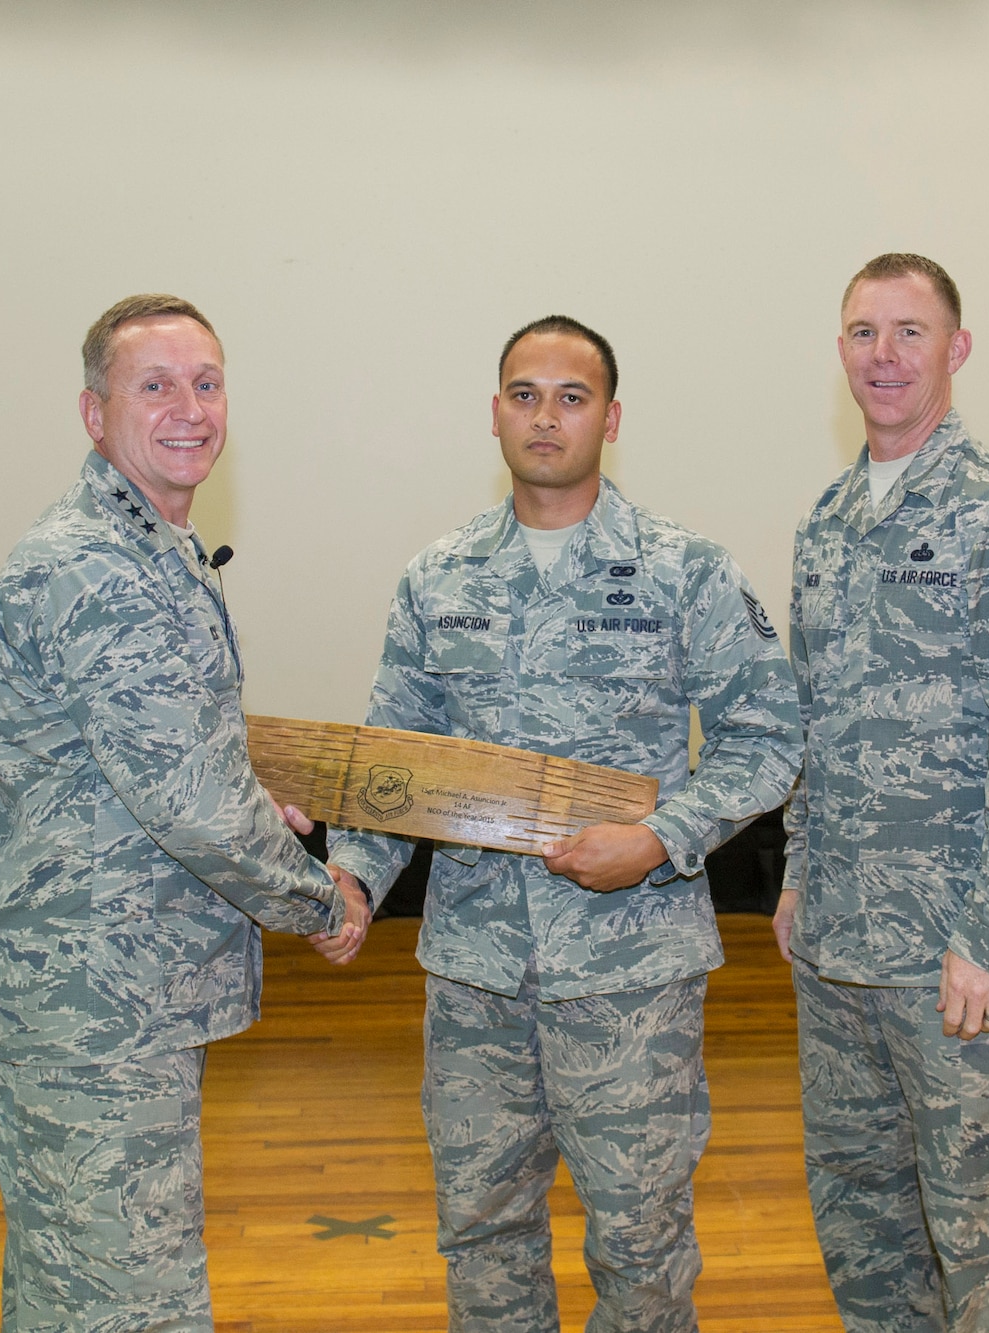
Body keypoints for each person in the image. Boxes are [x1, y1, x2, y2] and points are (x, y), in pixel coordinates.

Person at [328, 315, 803, 1333]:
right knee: (482, 1232)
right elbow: (393, 759)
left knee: (639, 1241)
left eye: (571, 396)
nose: (546, 417)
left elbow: (766, 735)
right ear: (494, 413)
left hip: (629, 978)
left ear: (611, 418)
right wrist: (353, 875)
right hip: (474, 977)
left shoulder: (685, 571)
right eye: (524, 394)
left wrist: (659, 840)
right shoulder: (437, 578)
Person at [0, 293, 370, 1332]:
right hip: (101, 1006)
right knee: (125, 1302)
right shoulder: (98, 566)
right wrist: (319, 901)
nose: (188, 408)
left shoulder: (152, 550)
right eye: (153, 385)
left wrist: (250, 805)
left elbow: (166, 770)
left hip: (109, 993)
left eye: (206, 382)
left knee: (73, 1285)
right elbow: (190, 805)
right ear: (92, 411)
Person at [776, 253, 989, 1331]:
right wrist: (792, 875)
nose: (884, 355)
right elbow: (812, 718)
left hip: (960, 961)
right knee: (863, 1229)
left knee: (984, 1242)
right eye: (863, 332)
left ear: (954, 350)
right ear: (839, 353)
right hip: (838, 953)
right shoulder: (824, 522)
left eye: (908, 331)